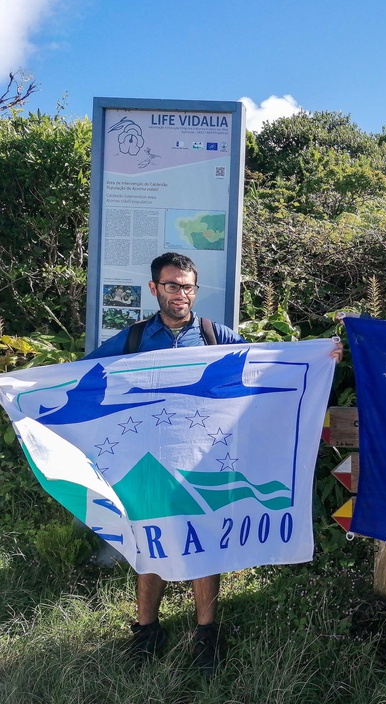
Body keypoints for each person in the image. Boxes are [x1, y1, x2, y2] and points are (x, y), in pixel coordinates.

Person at [85, 251, 245, 676]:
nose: (182, 294)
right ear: (154, 288)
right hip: (147, 460)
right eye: (172, 285)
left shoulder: (214, 333)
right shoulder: (134, 338)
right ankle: (147, 630)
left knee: (203, 544)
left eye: (189, 286)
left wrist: (322, 357)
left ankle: (206, 634)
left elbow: (260, 367)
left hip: (201, 459)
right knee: (149, 541)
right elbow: (83, 374)